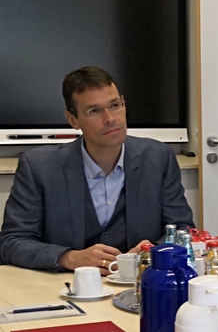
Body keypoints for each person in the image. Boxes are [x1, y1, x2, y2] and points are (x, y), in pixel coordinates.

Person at [0, 66, 194, 273]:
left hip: (139, 282)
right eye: (94, 111)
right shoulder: (39, 167)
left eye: (115, 105)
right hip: (66, 285)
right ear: (73, 120)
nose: (110, 118)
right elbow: (11, 242)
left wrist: (150, 253)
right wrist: (69, 258)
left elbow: (183, 230)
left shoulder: (158, 158)